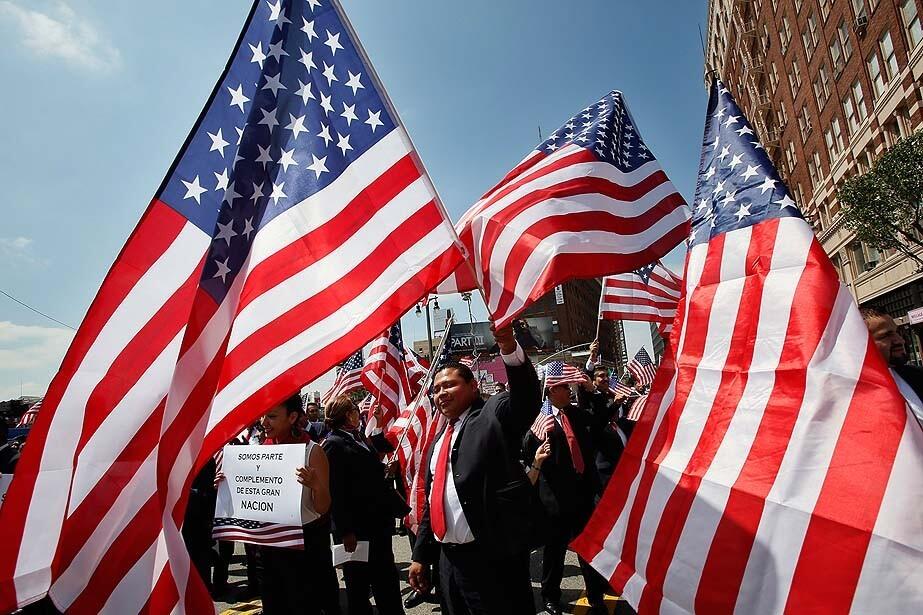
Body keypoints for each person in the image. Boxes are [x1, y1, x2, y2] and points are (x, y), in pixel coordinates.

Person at [408, 322, 542, 615]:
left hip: (493, 562)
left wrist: (509, 349)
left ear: (473, 386)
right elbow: (435, 502)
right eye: (436, 389)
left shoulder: (493, 415)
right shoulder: (438, 441)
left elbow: (526, 399)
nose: (441, 393)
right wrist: (420, 555)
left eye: (450, 385)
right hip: (449, 565)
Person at [523, 379, 610, 615]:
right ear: (553, 390)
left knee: (587, 551)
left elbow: (600, 420)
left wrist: (593, 392)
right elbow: (528, 450)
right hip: (555, 501)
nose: (570, 390)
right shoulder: (542, 420)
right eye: (565, 387)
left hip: (583, 496)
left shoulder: (575, 413)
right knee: (554, 553)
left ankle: (595, 595)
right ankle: (550, 597)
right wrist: (537, 448)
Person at [322, 396, 405, 615]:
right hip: (356, 530)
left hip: (376, 524)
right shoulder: (334, 443)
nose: (358, 412)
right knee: (358, 584)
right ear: (347, 414)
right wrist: (345, 531)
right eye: (355, 409)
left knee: (386, 579)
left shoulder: (357, 436)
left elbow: (378, 452)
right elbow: (336, 492)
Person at [259, 395, 339, 615]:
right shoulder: (258, 450)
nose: (264, 422)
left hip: (305, 547)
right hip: (271, 547)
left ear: (292, 417)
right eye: (264, 415)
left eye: (272, 416)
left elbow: (323, 508)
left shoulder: (312, 451)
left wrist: (316, 486)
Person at [861, 307, 923, 423]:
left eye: (897, 333)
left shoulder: (917, 376)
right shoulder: (849, 395)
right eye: (886, 335)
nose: (900, 340)